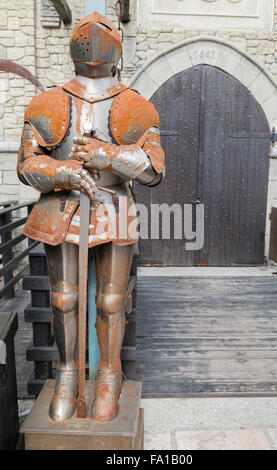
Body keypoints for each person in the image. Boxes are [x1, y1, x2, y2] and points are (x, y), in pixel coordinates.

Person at [17, 11, 165, 423]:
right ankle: (67, 372)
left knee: (112, 300)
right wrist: (63, 171)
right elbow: (27, 163)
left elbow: (154, 169)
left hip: (114, 205)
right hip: (61, 206)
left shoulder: (134, 105)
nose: (94, 33)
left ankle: (109, 373)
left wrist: (110, 155)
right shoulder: (48, 101)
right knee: (64, 299)